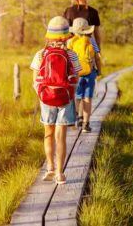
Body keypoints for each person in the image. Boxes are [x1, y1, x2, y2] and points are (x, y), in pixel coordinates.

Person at [30, 16, 82, 184]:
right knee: (61, 136)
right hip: (65, 99)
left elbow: (35, 79)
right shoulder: (71, 54)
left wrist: (42, 94)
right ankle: (60, 173)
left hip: (46, 98)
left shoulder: (41, 54)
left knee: (48, 133)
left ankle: (50, 168)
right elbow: (77, 77)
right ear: (67, 36)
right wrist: (68, 93)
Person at [68, 17, 101, 133]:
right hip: (89, 73)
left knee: (77, 97)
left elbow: (68, 58)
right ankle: (86, 125)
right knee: (87, 98)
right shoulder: (91, 40)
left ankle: (76, 118)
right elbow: (97, 57)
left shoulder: (70, 41)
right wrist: (99, 71)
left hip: (75, 74)